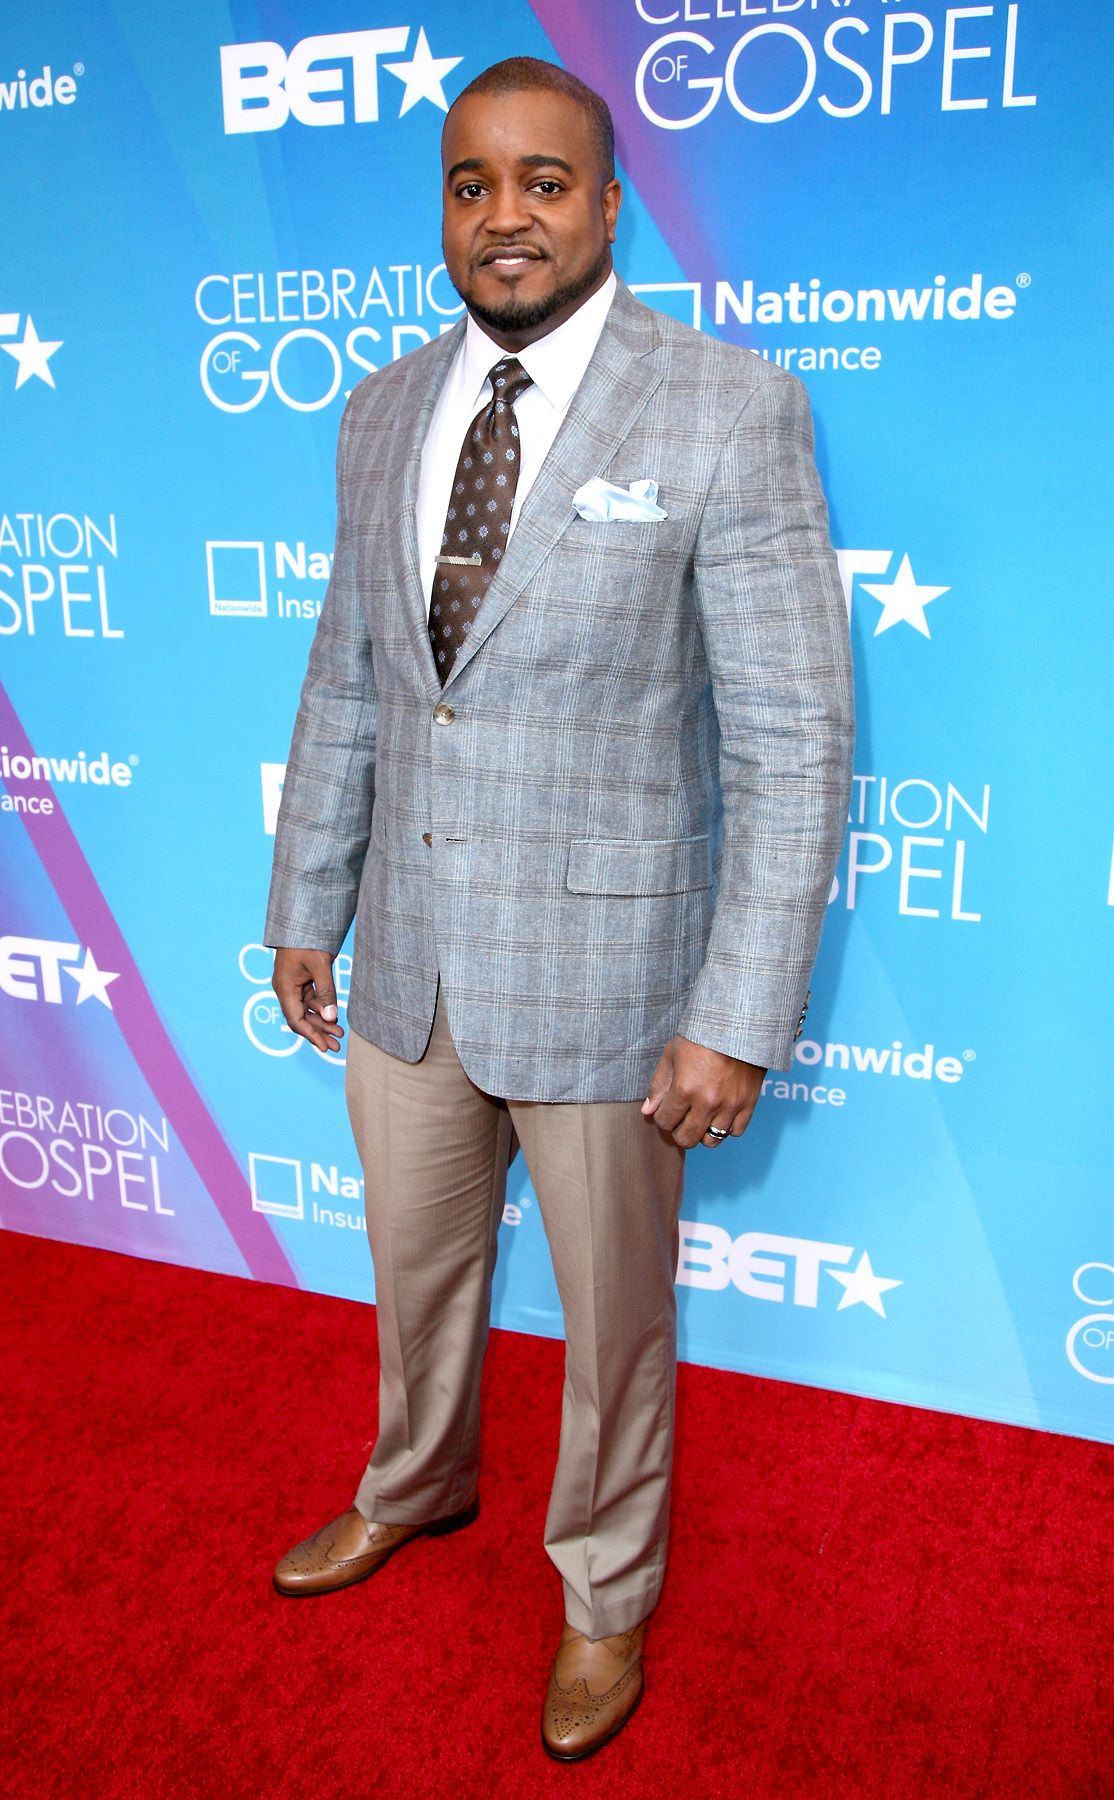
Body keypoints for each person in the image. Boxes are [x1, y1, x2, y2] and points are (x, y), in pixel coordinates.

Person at [264, 55, 853, 1762]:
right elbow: (353, 678)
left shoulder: (728, 405)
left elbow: (791, 736)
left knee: (614, 1331)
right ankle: (414, 1486)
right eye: (469, 184)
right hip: (408, 958)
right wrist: (311, 891)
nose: (502, 215)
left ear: (607, 203)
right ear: (442, 209)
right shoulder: (381, 405)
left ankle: (604, 1597)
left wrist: (736, 1009)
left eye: (542, 182)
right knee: (416, 1273)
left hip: (614, 973)